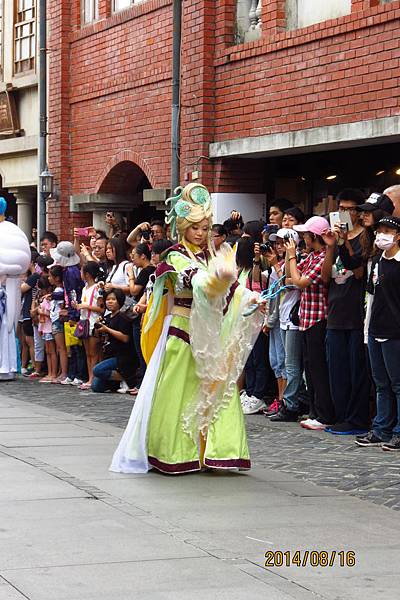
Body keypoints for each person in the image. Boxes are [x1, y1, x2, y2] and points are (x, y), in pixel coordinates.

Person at [110, 183, 263, 474]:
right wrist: (219, 279)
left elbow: (232, 289)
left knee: (217, 390)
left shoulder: (212, 256)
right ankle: (175, 452)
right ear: (183, 228)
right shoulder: (174, 256)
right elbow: (199, 282)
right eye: (195, 227)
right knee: (177, 391)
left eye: (205, 228)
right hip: (182, 329)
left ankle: (216, 452)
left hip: (210, 331)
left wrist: (251, 297)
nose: (200, 233)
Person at [321, 189, 371, 435]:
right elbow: (325, 277)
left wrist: (345, 245)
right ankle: (341, 416)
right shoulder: (336, 236)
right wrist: (332, 246)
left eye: (351, 208)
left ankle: (357, 419)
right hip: (335, 312)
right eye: (341, 208)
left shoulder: (366, 237)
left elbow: (360, 272)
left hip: (356, 314)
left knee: (356, 370)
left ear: (359, 212)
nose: (346, 213)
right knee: (336, 370)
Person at [287, 216, 336, 430]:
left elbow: (299, 281)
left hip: (318, 318)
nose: (303, 238)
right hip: (306, 318)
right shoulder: (312, 256)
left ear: (314, 236)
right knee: (309, 367)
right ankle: (314, 411)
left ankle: (323, 414)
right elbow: (288, 278)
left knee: (318, 368)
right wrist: (293, 264)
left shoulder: (323, 256)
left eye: (306, 234)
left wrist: (290, 258)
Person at [355, 217, 400, 451]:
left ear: (398, 235)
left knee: (398, 384)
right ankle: (381, 427)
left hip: (395, 332)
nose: (381, 235)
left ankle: (398, 431)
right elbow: (370, 298)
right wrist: (367, 329)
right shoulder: (376, 261)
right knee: (381, 383)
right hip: (375, 328)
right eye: (379, 231)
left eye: (387, 231)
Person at [268, 229, 308, 422]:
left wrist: (280, 264)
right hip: (283, 316)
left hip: (294, 317)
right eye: (277, 243)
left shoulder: (297, 259)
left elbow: (291, 283)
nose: (279, 246)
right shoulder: (285, 262)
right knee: (284, 362)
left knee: (292, 364)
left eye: (283, 242)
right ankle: (289, 401)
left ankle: (291, 404)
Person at [0, 198, 31, 380]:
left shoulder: (11, 232)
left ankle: (6, 366)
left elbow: (18, 265)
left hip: (6, 291)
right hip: (7, 290)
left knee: (6, 327)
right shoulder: (13, 232)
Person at [92, 289, 137, 393]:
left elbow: (125, 338)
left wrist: (107, 329)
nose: (110, 302)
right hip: (109, 355)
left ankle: (126, 377)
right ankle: (118, 381)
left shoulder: (123, 317)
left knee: (97, 370)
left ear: (119, 301)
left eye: (113, 299)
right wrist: (98, 327)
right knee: (96, 387)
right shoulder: (106, 317)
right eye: (108, 299)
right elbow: (97, 336)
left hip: (121, 356)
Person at [126, 243, 155, 390]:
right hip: (142, 310)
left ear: (143, 256)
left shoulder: (146, 271)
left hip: (143, 315)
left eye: (134, 255)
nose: (132, 258)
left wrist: (131, 276)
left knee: (142, 350)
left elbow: (134, 291)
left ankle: (143, 384)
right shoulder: (149, 271)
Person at [74, 262, 104, 390]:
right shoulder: (84, 288)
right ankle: (90, 377)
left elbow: (101, 308)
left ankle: (94, 379)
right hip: (84, 321)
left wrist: (85, 306)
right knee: (88, 353)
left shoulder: (97, 288)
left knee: (94, 353)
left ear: (87, 274)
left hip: (93, 322)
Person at [48, 265, 69, 384]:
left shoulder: (59, 291)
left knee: (61, 348)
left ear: (57, 278)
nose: (49, 278)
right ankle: (62, 372)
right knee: (60, 348)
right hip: (55, 319)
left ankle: (64, 373)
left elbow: (61, 307)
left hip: (57, 320)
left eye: (51, 276)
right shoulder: (58, 290)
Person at [37, 276, 58, 383]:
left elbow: (51, 314)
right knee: (48, 351)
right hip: (45, 327)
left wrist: (41, 312)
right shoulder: (45, 298)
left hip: (49, 327)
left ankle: (53, 373)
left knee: (52, 351)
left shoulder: (50, 298)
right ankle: (50, 373)